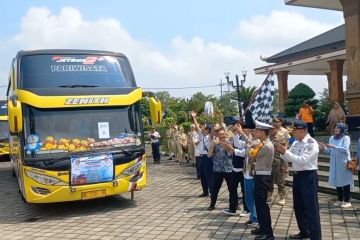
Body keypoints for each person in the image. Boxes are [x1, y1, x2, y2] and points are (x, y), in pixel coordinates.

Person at [276, 120, 321, 240]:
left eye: (294, 131)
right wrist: (282, 151)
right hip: (297, 176)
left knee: (311, 208)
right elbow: (289, 157)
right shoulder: (296, 142)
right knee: (298, 206)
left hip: (308, 177)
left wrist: (285, 152)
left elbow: (302, 160)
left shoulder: (311, 143)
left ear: (303, 130)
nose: (293, 133)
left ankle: (316, 237)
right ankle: (304, 231)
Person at [247, 120, 275, 240]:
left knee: (262, 205)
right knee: (259, 204)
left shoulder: (267, 146)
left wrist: (249, 147)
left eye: (257, 130)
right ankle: (262, 228)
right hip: (259, 175)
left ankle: (268, 233)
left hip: (263, 177)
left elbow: (251, 155)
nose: (255, 132)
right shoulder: (262, 143)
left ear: (263, 132)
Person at [320, 123, 353, 208]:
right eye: (335, 128)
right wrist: (324, 148)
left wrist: (333, 146)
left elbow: (345, 149)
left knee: (345, 181)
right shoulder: (332, 138)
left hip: (343, 162)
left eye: (338, 128)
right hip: (334, 163)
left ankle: (347, 201)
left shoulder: (346, 138)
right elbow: (330, 151)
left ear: (342, 129)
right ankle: (340, 199)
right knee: (337, 181)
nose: (336, 130)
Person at [222, 122, 250, 217]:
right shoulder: (236, 137)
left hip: (243, 169)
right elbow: (236, 145)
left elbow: (242, 152)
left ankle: (247, 209)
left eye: (240, 128)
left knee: (244, 190)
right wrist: (237, 134)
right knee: (232, 188)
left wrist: (231, 148)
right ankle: (232, 208)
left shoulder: (250, 140)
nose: (237, 129)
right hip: (235, 168)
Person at [207, 127, 237, 212]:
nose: (222, 136)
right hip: (218, 169)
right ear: (217, 135)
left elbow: (231, 153)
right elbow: (209, 155)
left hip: (228, 169)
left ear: (226, 134)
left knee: (232, 189)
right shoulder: (215, 143)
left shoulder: (229, 142)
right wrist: (213, 144)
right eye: (220, 134)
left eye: (223, 134)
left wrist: (227, 145)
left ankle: (234, 205)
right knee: (215, 188)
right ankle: (212, 204)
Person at [191, 111, 213, 196]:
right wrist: (194, 117)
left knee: (209, 175)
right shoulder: (201, 135)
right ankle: (205, 191)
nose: (202, 129)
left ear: (208, 130)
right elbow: (196, 126)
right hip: (201, 157)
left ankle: (212, 191)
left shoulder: (210, 137)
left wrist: (211, 117)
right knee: (202, 175)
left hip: (208, 157)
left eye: (204, 128)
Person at [268, 118, 289, 205]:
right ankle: (269, 195)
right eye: (270, 129)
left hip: (279, 162)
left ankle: (282, 196)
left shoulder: (280, 139)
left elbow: (284, 150)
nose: (271, 130)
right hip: (269, 163)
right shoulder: (268, 138)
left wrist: (284, 164)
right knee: (270, 180)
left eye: (273, 129)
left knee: (280, 180)